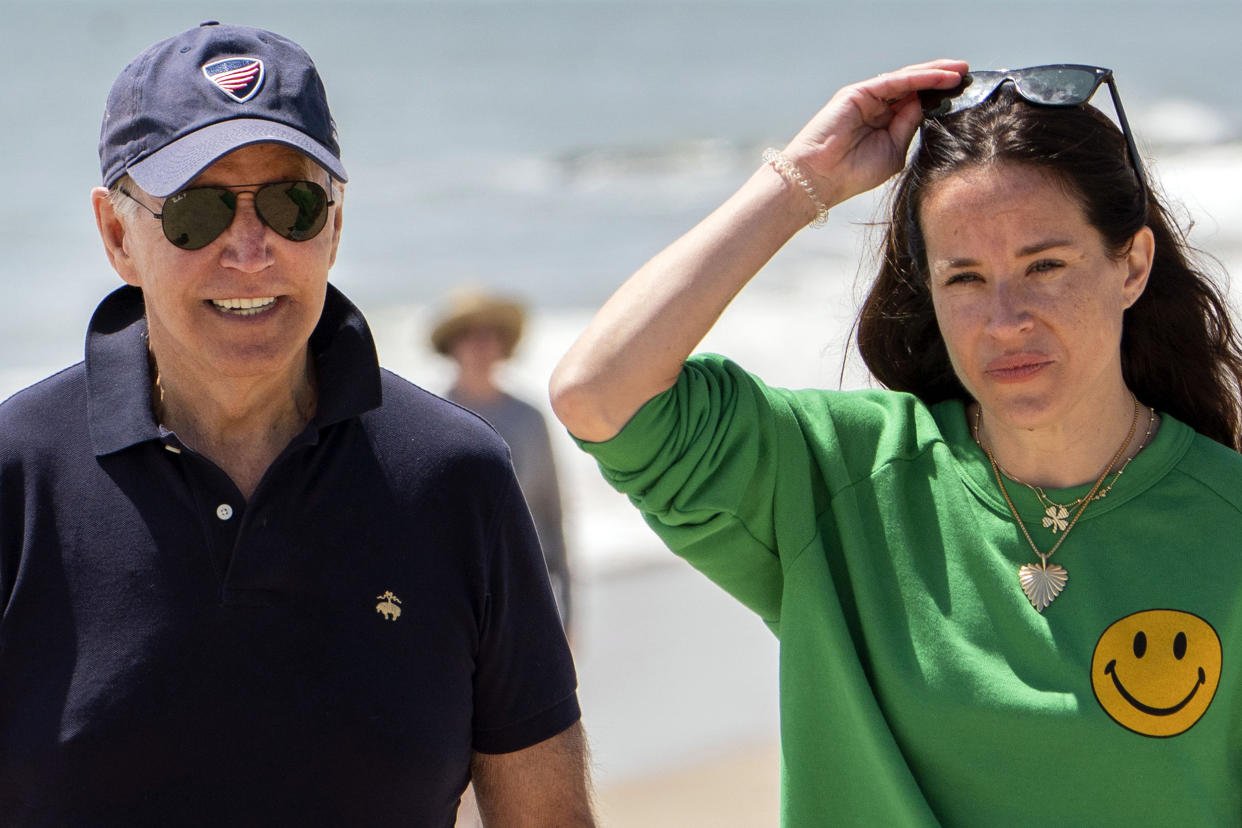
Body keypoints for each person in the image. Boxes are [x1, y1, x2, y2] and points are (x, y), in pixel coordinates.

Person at [550, 59, 1242, 825]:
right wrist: (800, 181)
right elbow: (600, 393)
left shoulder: (1228, 523)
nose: (1006, 318)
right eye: (965, 279)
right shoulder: (838, 480)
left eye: (1045, 266)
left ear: (1131, 266)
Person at [0, 22, 592, 826]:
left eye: (292, 203)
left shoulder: (457, 477)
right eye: (197, 212)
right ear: (117, 236)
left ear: (336, 225)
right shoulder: (15, 477)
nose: (251, 250)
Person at [432, 290, 573, 634]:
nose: (481, 345)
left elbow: (554, 514)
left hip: (523, 588)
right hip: (454, 595)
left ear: (504, 343)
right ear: (453, 344)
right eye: (469, 334)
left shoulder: (530, 418)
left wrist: (569, 610)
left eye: (490, 333)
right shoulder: (429, 415)